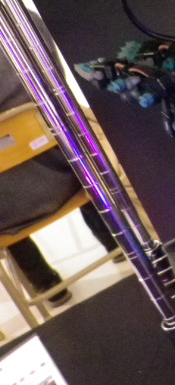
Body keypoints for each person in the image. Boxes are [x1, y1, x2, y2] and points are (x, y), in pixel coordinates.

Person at [0, 57, 124, 308]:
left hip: (8, 215)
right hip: (71, 177)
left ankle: (45, 283)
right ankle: (113, 238)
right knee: (60, 123)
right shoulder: (19, 37)